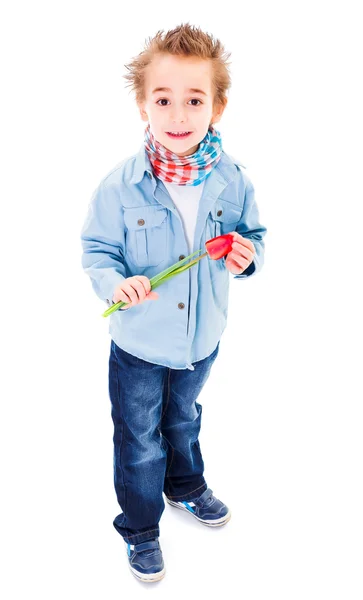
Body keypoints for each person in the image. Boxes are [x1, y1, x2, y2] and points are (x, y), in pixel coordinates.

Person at [80, 22, 267, 583]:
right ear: (143, 104)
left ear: (218, 106)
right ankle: (140, 527)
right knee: (139, 437)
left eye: (194, 100)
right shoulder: (120, 187)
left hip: (202, 340)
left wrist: (244, 254)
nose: (179, 116)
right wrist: (116, 284)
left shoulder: (231, 180)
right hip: (138, 343)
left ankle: (185, 486)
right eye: (164, 100)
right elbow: (97, 251)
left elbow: (253, 235)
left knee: (183, 420)